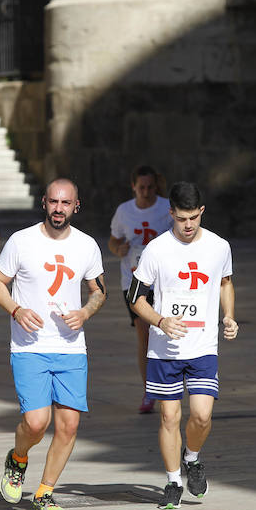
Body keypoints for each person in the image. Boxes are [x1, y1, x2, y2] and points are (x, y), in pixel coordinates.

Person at [0, 179, 106, 510]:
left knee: (68, 426)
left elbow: (99, 290)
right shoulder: (21, 241)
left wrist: (85, 312)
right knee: (37, 423)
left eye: (66, 203)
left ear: (76, 206)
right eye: (54, 202)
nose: (59, 208)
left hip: (71, 348)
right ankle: (18, 459)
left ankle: (44, 494)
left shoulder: (86, 245)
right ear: (44, 202)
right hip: (29, 346)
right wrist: (16, 309)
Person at [130, 181, 238, 509]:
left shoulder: (219, 246)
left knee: (202, 416)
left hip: (203, 345)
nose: (188, 225)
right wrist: (160, 321)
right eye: (181, 219)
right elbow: (136, 297)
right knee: (169, 417)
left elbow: (225, 283)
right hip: (164, 349)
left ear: (202, 211)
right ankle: (173, 480)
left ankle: (191, 457)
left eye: (193, 218)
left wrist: (229, 316)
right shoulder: (156, 250)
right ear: (171, 214)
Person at [108, 165, 171, 414]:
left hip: (164, 282)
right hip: (134, 281)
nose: (146, 192)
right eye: (141, 187)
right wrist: (118, 249)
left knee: (165, 334)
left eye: (150, 187)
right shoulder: (124, 211)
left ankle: (168, 387)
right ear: (133, 187)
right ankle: (149, 391)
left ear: (156, 186)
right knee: (144, 336)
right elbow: (113, 239)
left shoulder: (167, 208)